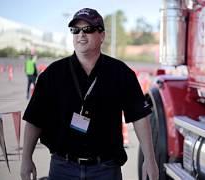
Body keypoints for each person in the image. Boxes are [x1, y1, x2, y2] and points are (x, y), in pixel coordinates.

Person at [20, 8, 159, 180]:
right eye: (75, 30)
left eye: (88, 29)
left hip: (106, 169)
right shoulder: (53, 74)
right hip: (63, 168)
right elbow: (35, 118)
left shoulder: (120, 73)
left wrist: (150, 159)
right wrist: (26, 158)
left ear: (102, 35)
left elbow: (139, 116)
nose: (81, 34)